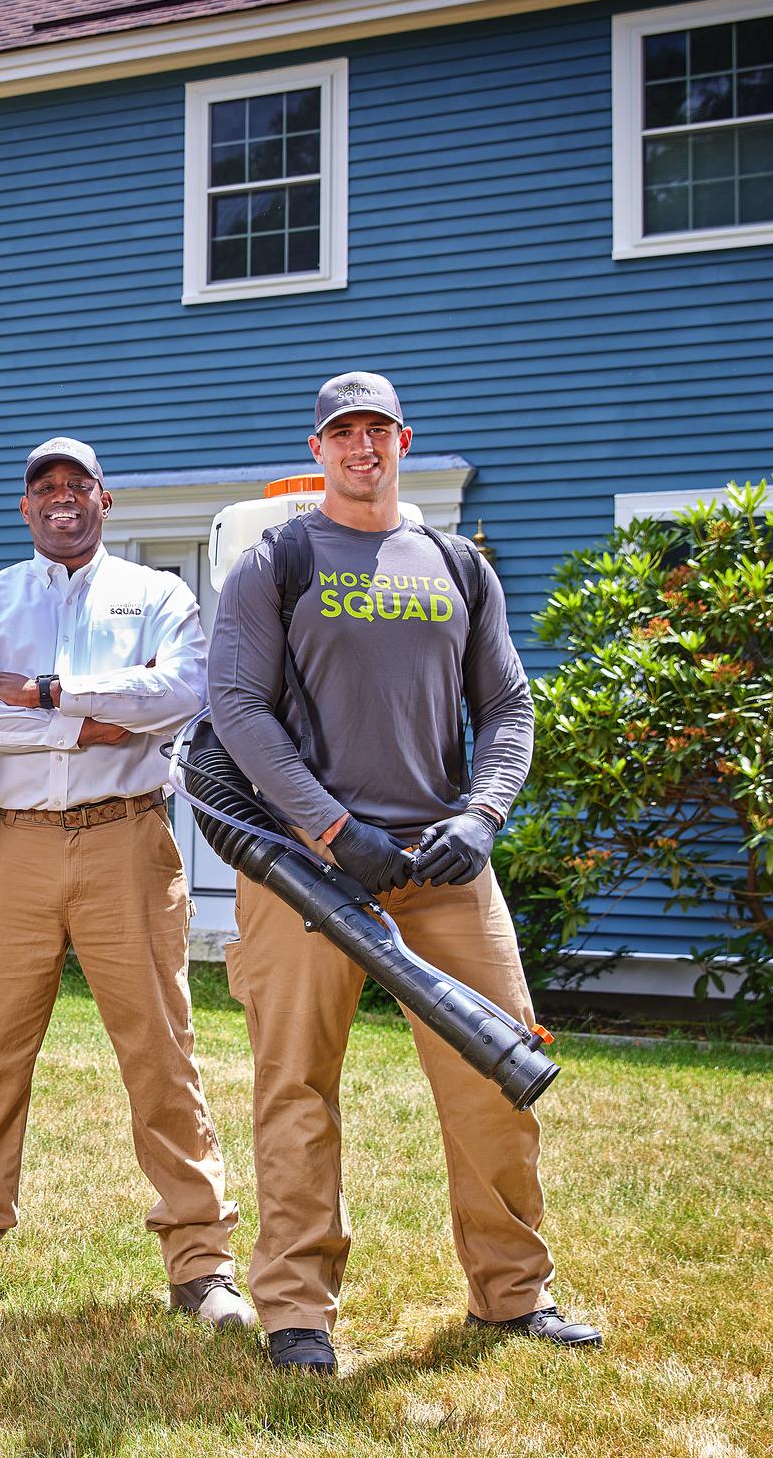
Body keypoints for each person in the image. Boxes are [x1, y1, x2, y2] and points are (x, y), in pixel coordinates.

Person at [207, 373, 602, 1377]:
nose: (362, 447)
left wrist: (483, 812)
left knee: (495, 1076)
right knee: (296, 1088)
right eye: (343, 432)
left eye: (377, 429)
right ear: (320, 447)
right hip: (305, 870)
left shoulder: (457, 562)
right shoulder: (277, 559)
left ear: (402, 440)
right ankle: (297, 1311)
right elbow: (238, 711)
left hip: (442, 865)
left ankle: (513, 1294)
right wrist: (332, 825)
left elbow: (509, 705)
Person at [0, 436, 255, 1329]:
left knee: (162, 1054)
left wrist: (52, 694)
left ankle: (202, 1264)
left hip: (124, 841)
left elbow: (182, 690)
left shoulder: (157, 593)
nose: (61, 498)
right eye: (43, 487)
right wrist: (93, 723)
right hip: (12, 846)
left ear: (105, 500)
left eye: (77, 485)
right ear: (26, 507)